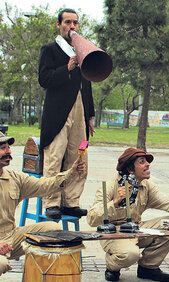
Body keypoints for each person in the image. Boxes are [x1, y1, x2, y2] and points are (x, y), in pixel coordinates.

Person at [87, 148, 169, 282]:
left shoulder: (146, 185)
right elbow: (92, 219)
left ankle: (148, 268)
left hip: (135, 229)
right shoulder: (110, 186)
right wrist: (114, 202)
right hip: (113, 233)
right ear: (131, 170)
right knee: (130, 255)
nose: (148, 164)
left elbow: (167, 201)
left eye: (147, 162)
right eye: (142, 162)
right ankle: (112, 267)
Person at [0, 132, 85, 277]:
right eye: (3, 148)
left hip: (10, 238)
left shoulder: (14, 178)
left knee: (52, 229)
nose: (9, 151)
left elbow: (45, 185)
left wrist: (71, 173)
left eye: (8, 147)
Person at [38, 8, 95, 220]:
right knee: (54, 157)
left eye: (75, 23)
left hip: (80, 108)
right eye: (68, 22)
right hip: (58, 112)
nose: (72, 26)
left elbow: (87, 83)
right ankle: (51, 202)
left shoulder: (82, 48)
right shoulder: (50, 49)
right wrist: (67, 68)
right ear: (58, 24)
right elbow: (44, 79)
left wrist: (89, 115)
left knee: (79, 156)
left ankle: (71, 201)